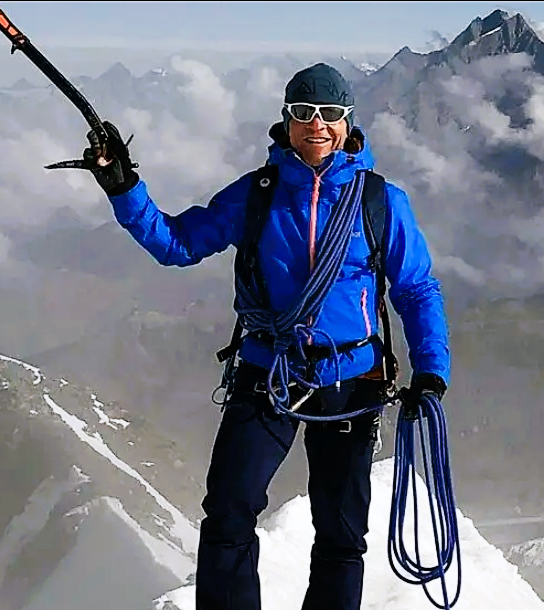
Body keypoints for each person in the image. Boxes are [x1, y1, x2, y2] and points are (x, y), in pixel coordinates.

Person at [80, 62, 451, 610]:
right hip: (268, 373)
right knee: (229, 512)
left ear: (348, 121)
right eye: (304, 113)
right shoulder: (257, 195)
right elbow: (178, 244)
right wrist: (124, 187)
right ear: (287, 121)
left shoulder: (380, 201)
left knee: (341, 534)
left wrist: (431, 372)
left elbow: (417, 289)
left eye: (329, 114)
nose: (317, 125)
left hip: (352, 382)